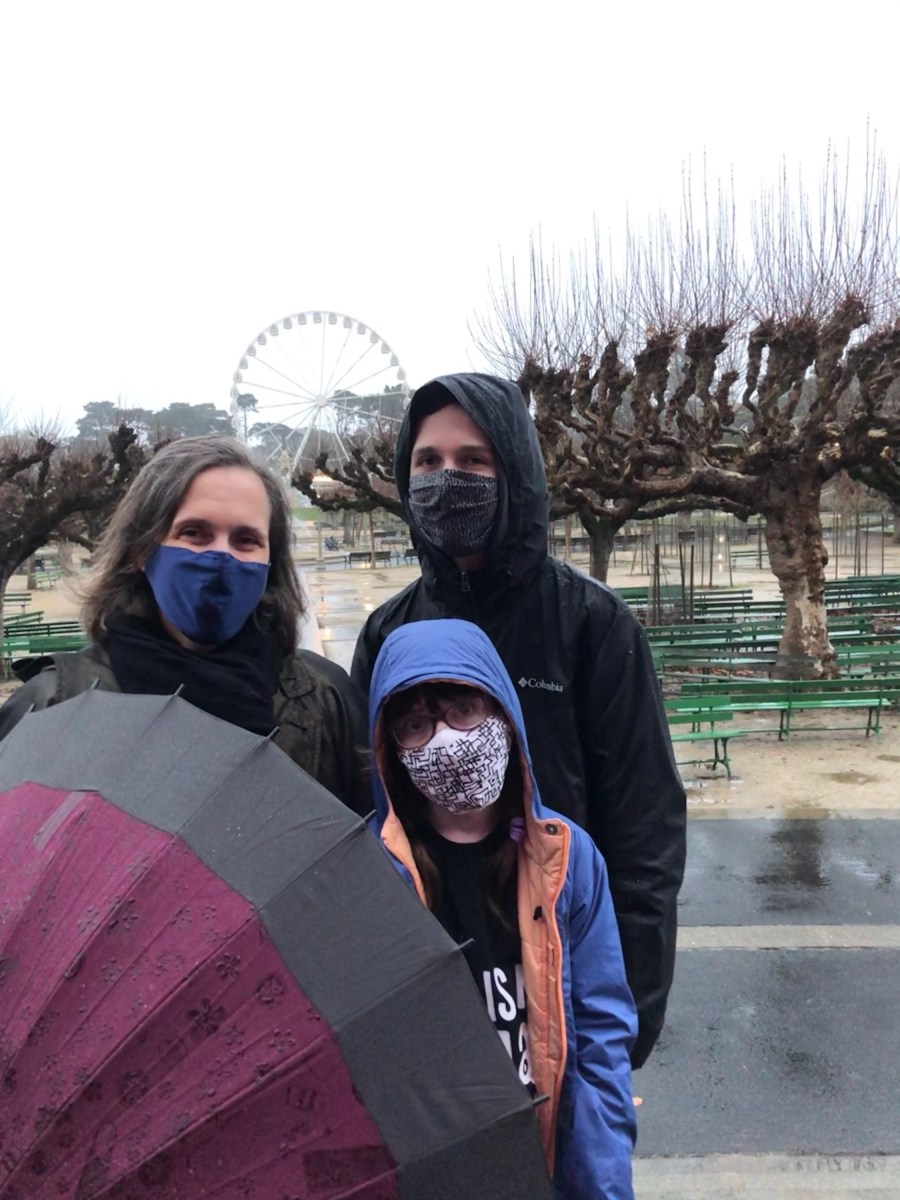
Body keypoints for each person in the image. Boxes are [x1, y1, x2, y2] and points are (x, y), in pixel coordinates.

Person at [352, 373, 686, 1067]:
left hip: (564, 965)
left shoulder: (592, 624)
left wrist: (629, 1015)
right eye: (428, 461)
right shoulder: (388, 633)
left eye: (472, 460)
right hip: (431, 985)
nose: (447, 479)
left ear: (514, 471)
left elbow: (644, 825)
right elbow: (370, 811)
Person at [368, 617, 637, 1200]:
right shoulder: (371, 870)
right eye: (415, 724)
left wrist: (603, 1183)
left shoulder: (566, 857)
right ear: (390, 746)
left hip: (541, 1152)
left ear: (503, 712)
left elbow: (600, 1031)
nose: (445, 739)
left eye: (464, 710)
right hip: (433, 1165)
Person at [0, 436, 367, 812]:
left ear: (271, 563)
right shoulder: (54, 706)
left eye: (245, 539)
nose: (221, 556)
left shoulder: (326, 700)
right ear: (141, 549)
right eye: (194, 533)